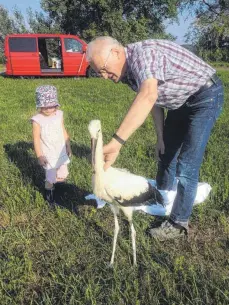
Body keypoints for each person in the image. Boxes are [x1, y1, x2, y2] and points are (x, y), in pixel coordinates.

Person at [86, 36, 224, 240]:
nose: (104, 77)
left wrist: (116, 143)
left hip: (205, 97)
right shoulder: (129, 74)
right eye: (99, 73)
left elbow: (148, 96)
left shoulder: (144, 55)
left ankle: (178, 222)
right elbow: (155, 101)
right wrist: (161, 137)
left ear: (116, 52)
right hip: (180, 102)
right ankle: (163, 198)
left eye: (104, 69)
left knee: (187, 165)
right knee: (166, 151)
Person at [31, 85, 72, 205]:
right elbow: (36, 139)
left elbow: (63, 130)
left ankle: (59, 189)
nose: (49, 109)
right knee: (50, 177)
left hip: (60, 151)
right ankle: (50, 196)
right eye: (45, 107)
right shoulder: (37, 120)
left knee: (63, 173)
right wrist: (39, 156)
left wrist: (68, 145)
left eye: (52, 106)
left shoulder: (59, 114)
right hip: (49, 153)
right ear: (39, 105)